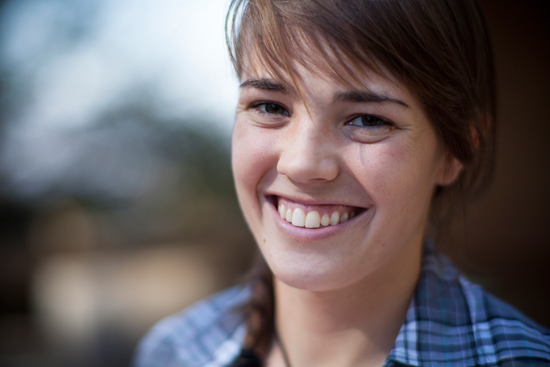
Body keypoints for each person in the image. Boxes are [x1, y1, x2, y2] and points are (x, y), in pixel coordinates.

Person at [134, 0, 550, 366]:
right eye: (269, 106)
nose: (301, 163)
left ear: (457, 150)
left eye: (368, 119)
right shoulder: (174, 352)